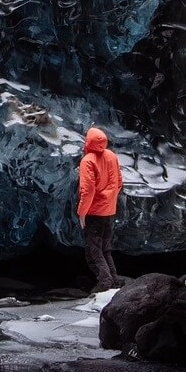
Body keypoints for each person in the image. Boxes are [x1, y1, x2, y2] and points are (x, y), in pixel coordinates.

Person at [77, 126, 122, 293]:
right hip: (108, 210)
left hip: (93, 212)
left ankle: (105, 281)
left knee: (93, 251)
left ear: (88, 142)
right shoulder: (111, 156)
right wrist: (109, 201)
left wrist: (82, 213)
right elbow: (119, 182)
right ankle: (114, 280)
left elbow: (87, 191)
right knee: (105, 248)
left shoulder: (87, 160)